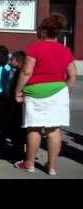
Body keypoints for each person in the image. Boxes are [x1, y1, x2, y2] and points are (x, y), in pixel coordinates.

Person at [15, 14, 77, 176]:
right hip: (58, 91)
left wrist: (18, 90)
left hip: (35, 92)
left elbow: (27, 71)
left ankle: (29, 163)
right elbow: (72, 75)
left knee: (34, 128)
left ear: (43, 31)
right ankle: (51, 167)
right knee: (54, 129)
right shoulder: (65, 50)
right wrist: (65, 91)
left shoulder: (35, 48)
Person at [1, 51, 26, 163]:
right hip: (14, 106)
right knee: (15, 132)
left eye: (12, 60)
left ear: (19, 61)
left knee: (18, 133)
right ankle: (15, 153)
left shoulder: (21, 74)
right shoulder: (17, 72)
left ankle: (18, 156)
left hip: (16, 107)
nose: (10, 61)